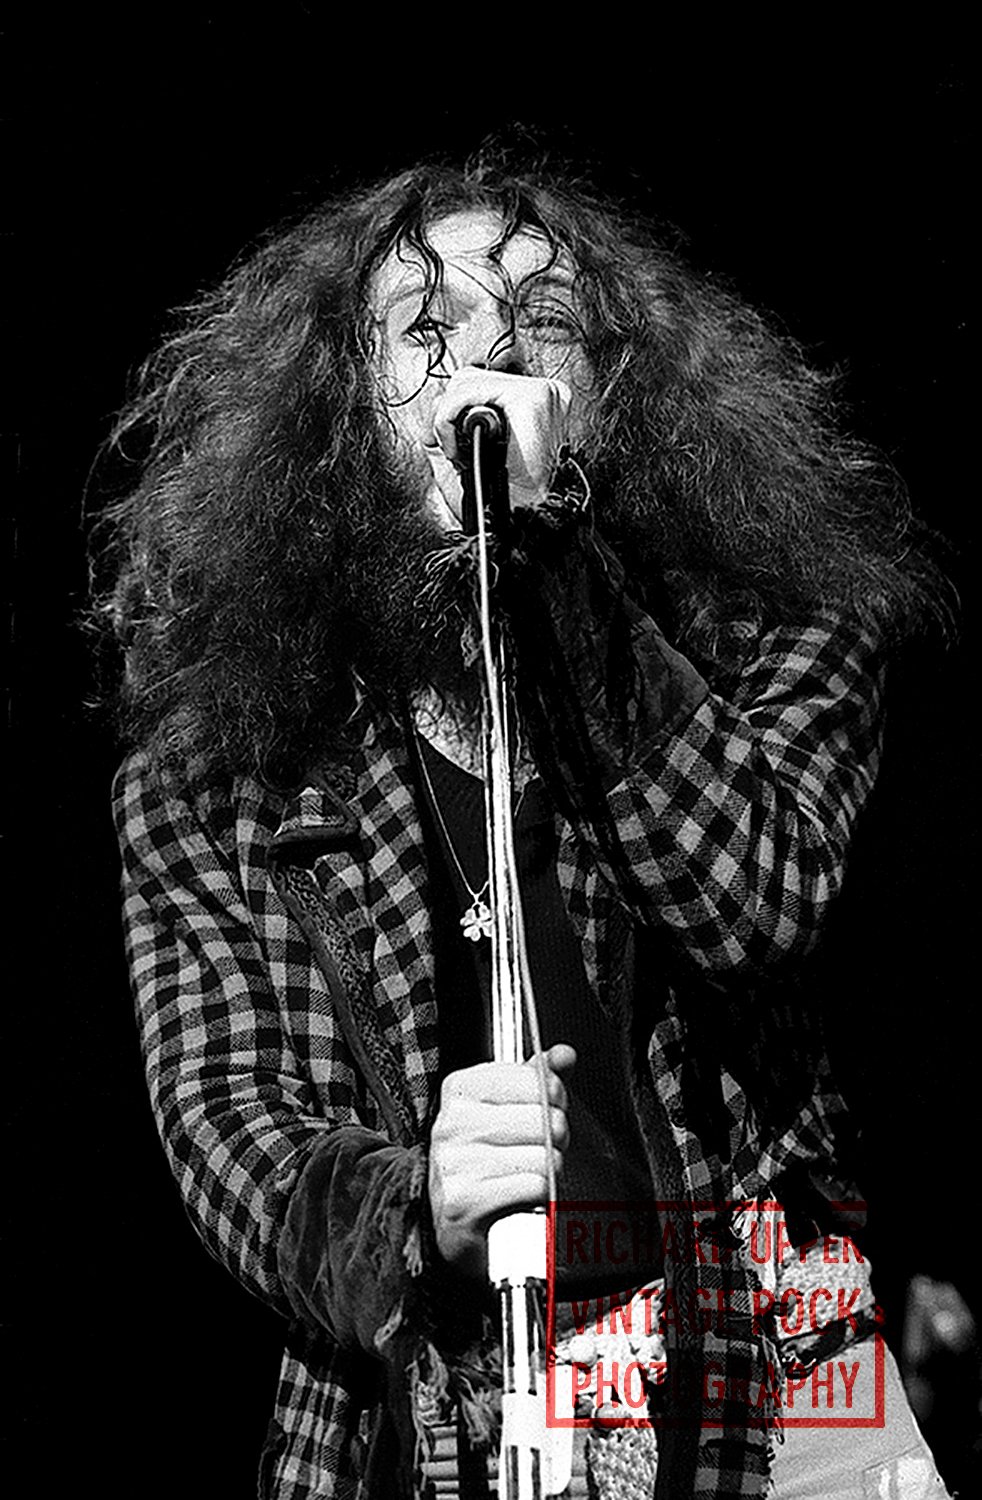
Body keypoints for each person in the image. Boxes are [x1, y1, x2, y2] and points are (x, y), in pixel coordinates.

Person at [97, 156, 951, 1498]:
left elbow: (756, 901)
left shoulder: (767, 630)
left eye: (537, 322)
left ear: (614, 389)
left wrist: (554, 561)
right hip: (439, 1387)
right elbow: (226, 1116)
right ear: (343, 408)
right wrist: (409, 1207)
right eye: (425, 335)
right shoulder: (228, 763)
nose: (481, 366)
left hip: (781, 1334)